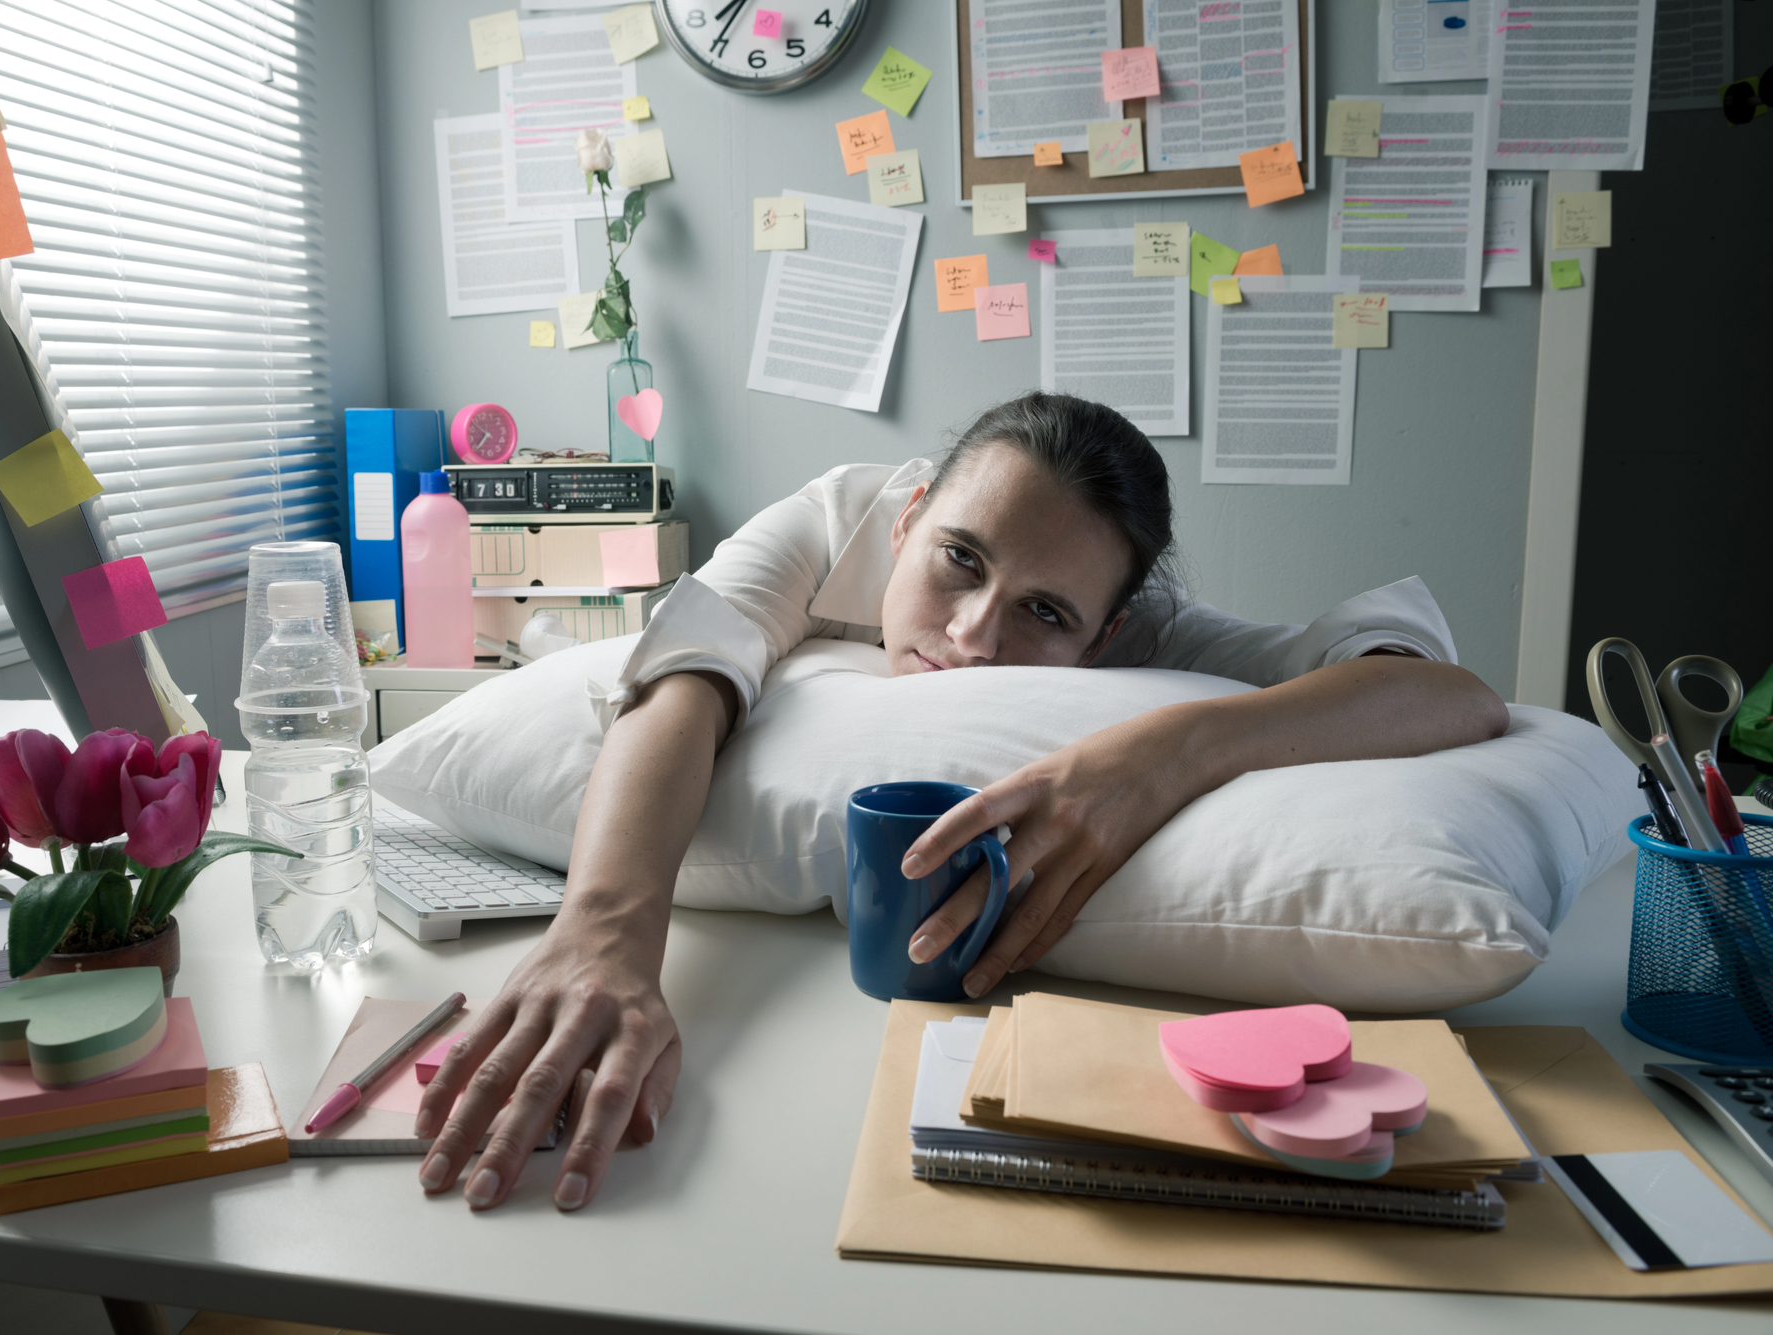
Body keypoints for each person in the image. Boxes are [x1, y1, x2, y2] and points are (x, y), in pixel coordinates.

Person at [413, 392, 1508, 1214]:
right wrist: (604, 932)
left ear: (1108, 636)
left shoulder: (1149, 631)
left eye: (1042, 611)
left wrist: (1164, 751)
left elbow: (1435, 689)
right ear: (905, 526)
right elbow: (683, 682)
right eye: (956, 561)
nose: (978, 633)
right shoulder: (832, 519)